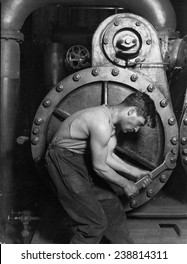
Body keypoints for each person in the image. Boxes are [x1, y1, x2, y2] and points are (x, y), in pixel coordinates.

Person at [45, 91, 156, 244]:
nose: (136, 130)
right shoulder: (101, 123)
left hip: (78, 160)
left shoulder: (111, 123)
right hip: (62, 160)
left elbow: (107, 156)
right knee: (94, 223)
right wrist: (125, 184)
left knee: (111, 205)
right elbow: (99, 166)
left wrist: (136, 173)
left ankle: (126, 253)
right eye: (139, 124)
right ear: (131, 111)